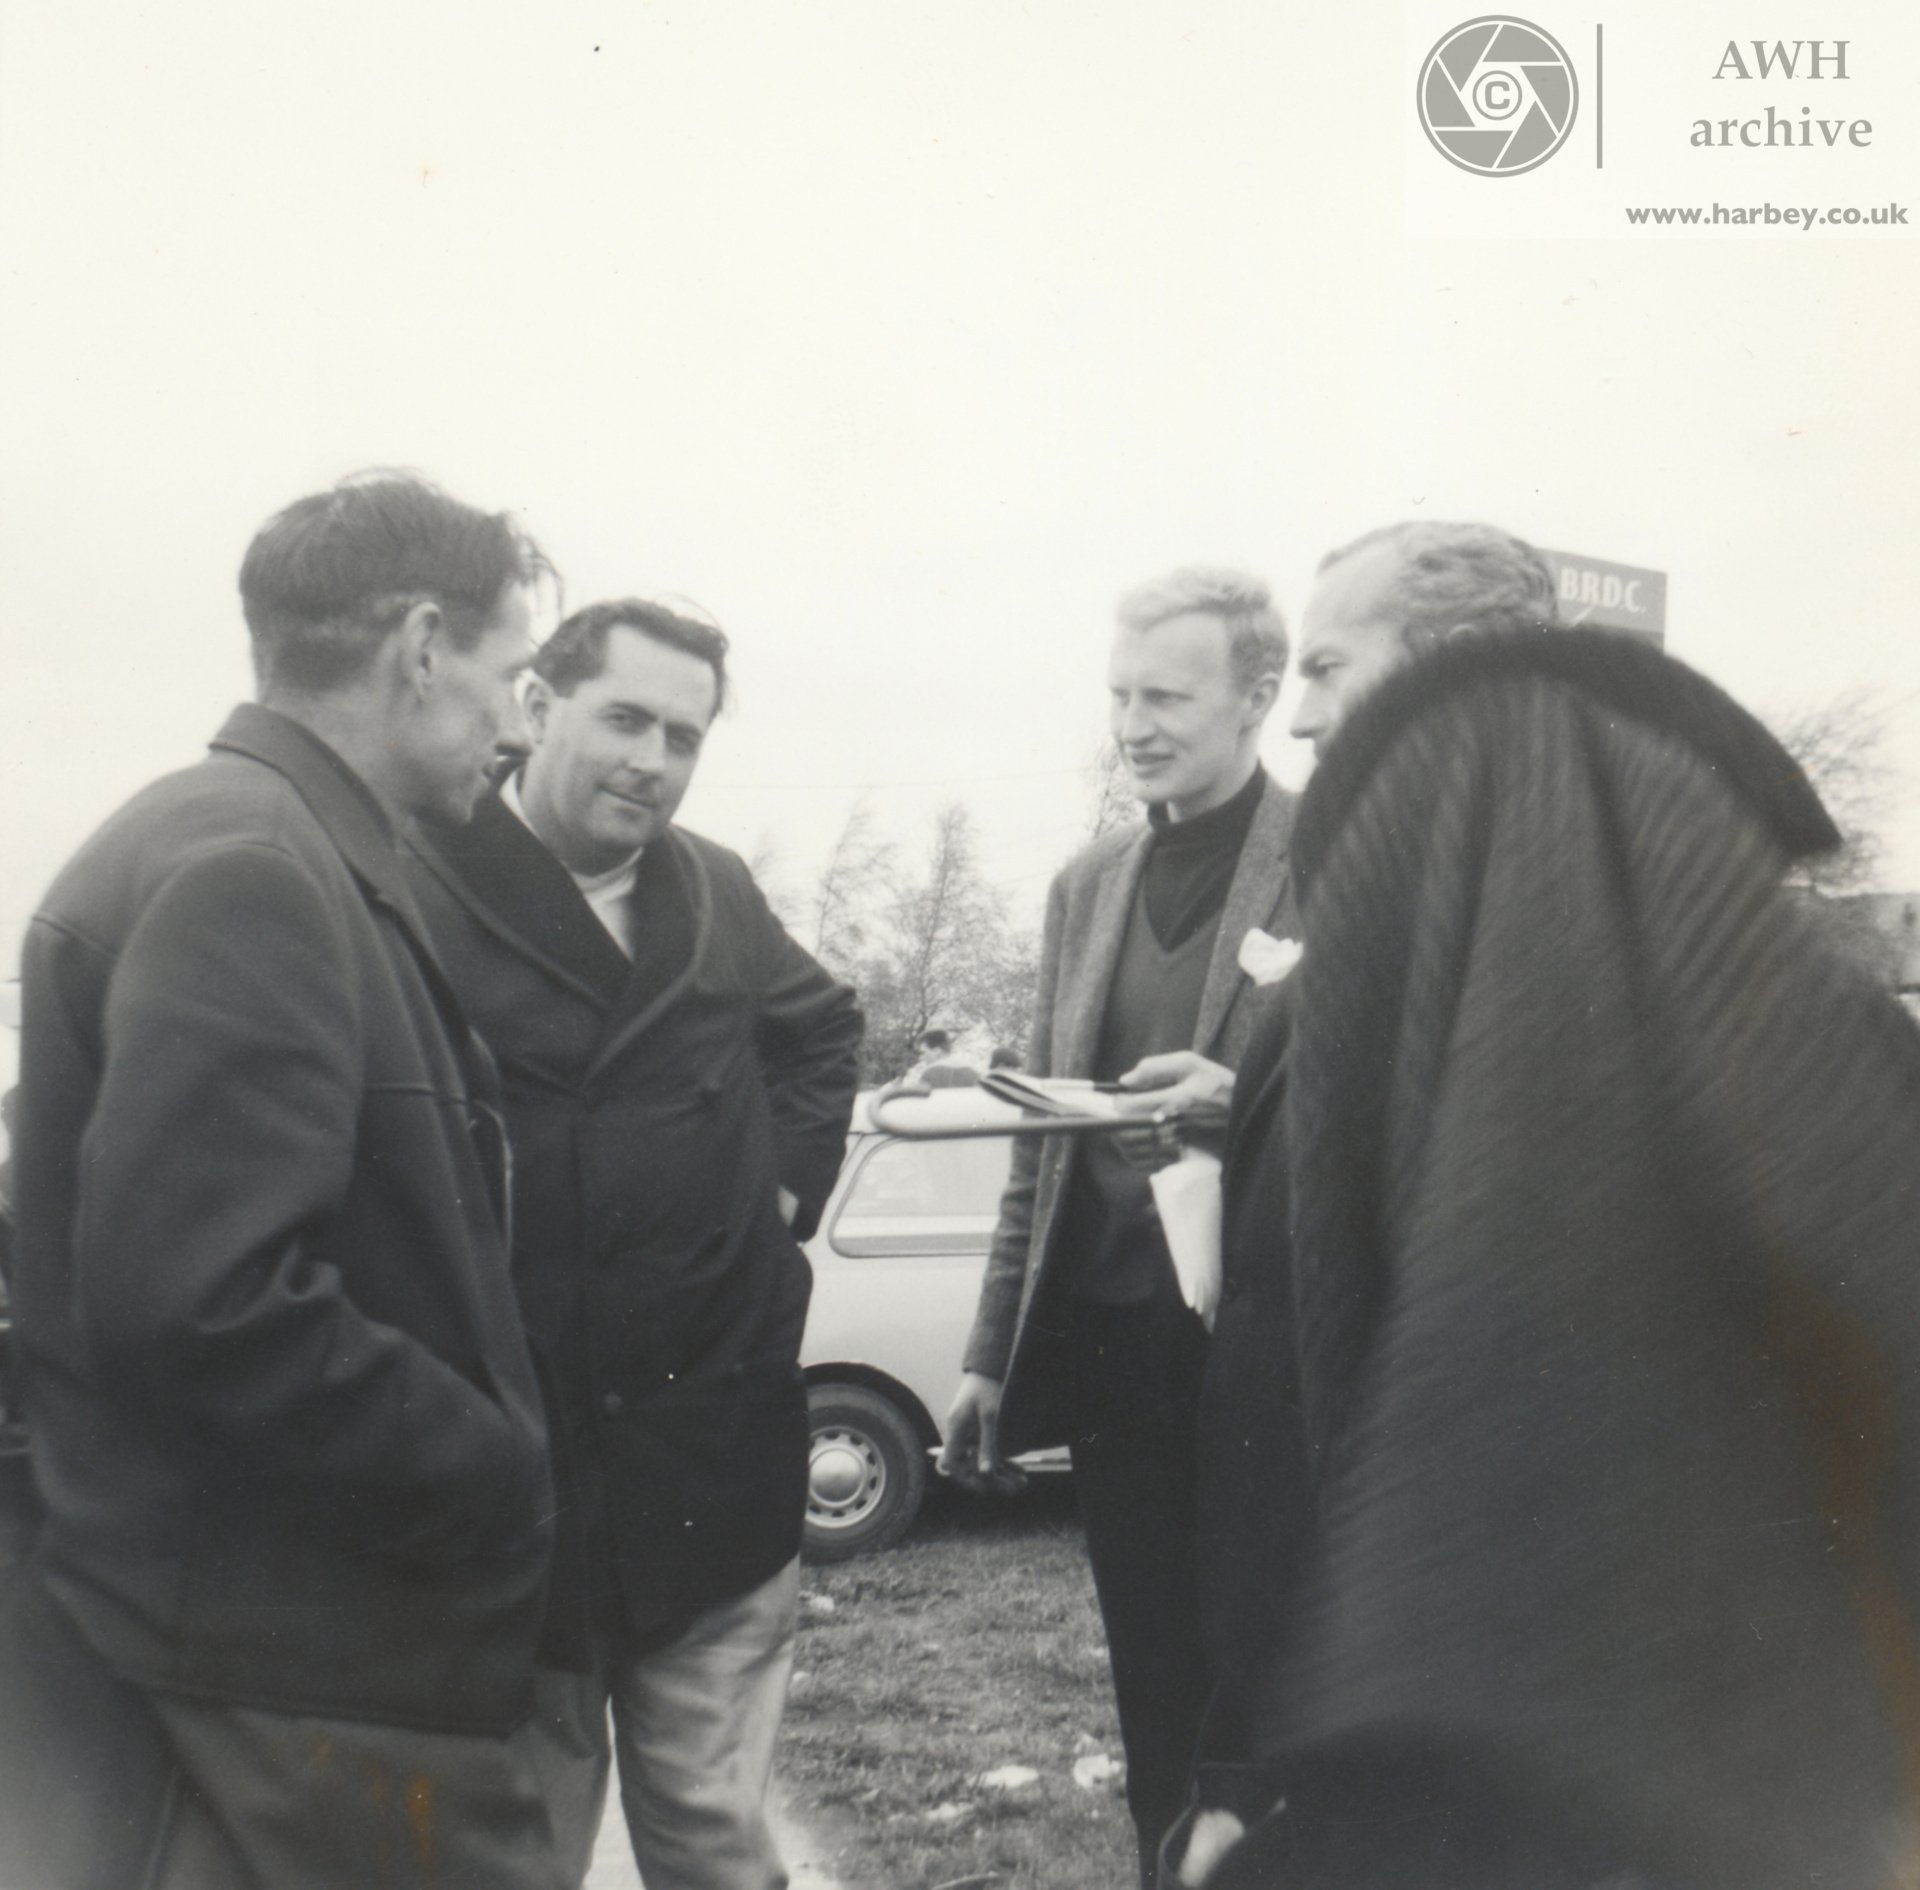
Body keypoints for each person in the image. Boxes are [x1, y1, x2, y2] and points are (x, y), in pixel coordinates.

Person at [1172, 520, 1920, 1890]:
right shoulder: (1365, 954)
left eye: (1329, 664)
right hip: (1349, 1706)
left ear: (1464, 671)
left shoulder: (1684, 979)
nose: (1300, 715)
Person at [2, 473, 563, 1890]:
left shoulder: (248, 837)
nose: (519, 725)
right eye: (515, 677)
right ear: (422, 647)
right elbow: (205, 1301)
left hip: (267, 1630)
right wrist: (491, 1461)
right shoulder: (255, 867)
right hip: (306, 1664)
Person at [406, 596, 862, 1890]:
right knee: (517, 1854)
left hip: (706, 1469)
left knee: (718, 1846)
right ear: (537, 706)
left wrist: (777, 1206)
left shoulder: (710, 884)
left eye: (684, 735)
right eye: (625, 718)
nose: (652, 761)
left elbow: (823, 1033)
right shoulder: (416, 872)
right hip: (521, 1486)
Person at [941, 566, 1296, 1884]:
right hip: (1111, 1353)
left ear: (1258, 696)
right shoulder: (1087, 882)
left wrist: (1240, 1104)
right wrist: (986, 1351)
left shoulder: (1340, 851)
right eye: (1119, 695)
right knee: (1154, 1675)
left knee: (1263, 1689)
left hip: (1263, 1351)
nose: (1135, 723)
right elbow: (1039, 1143)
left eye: (1167, 695)